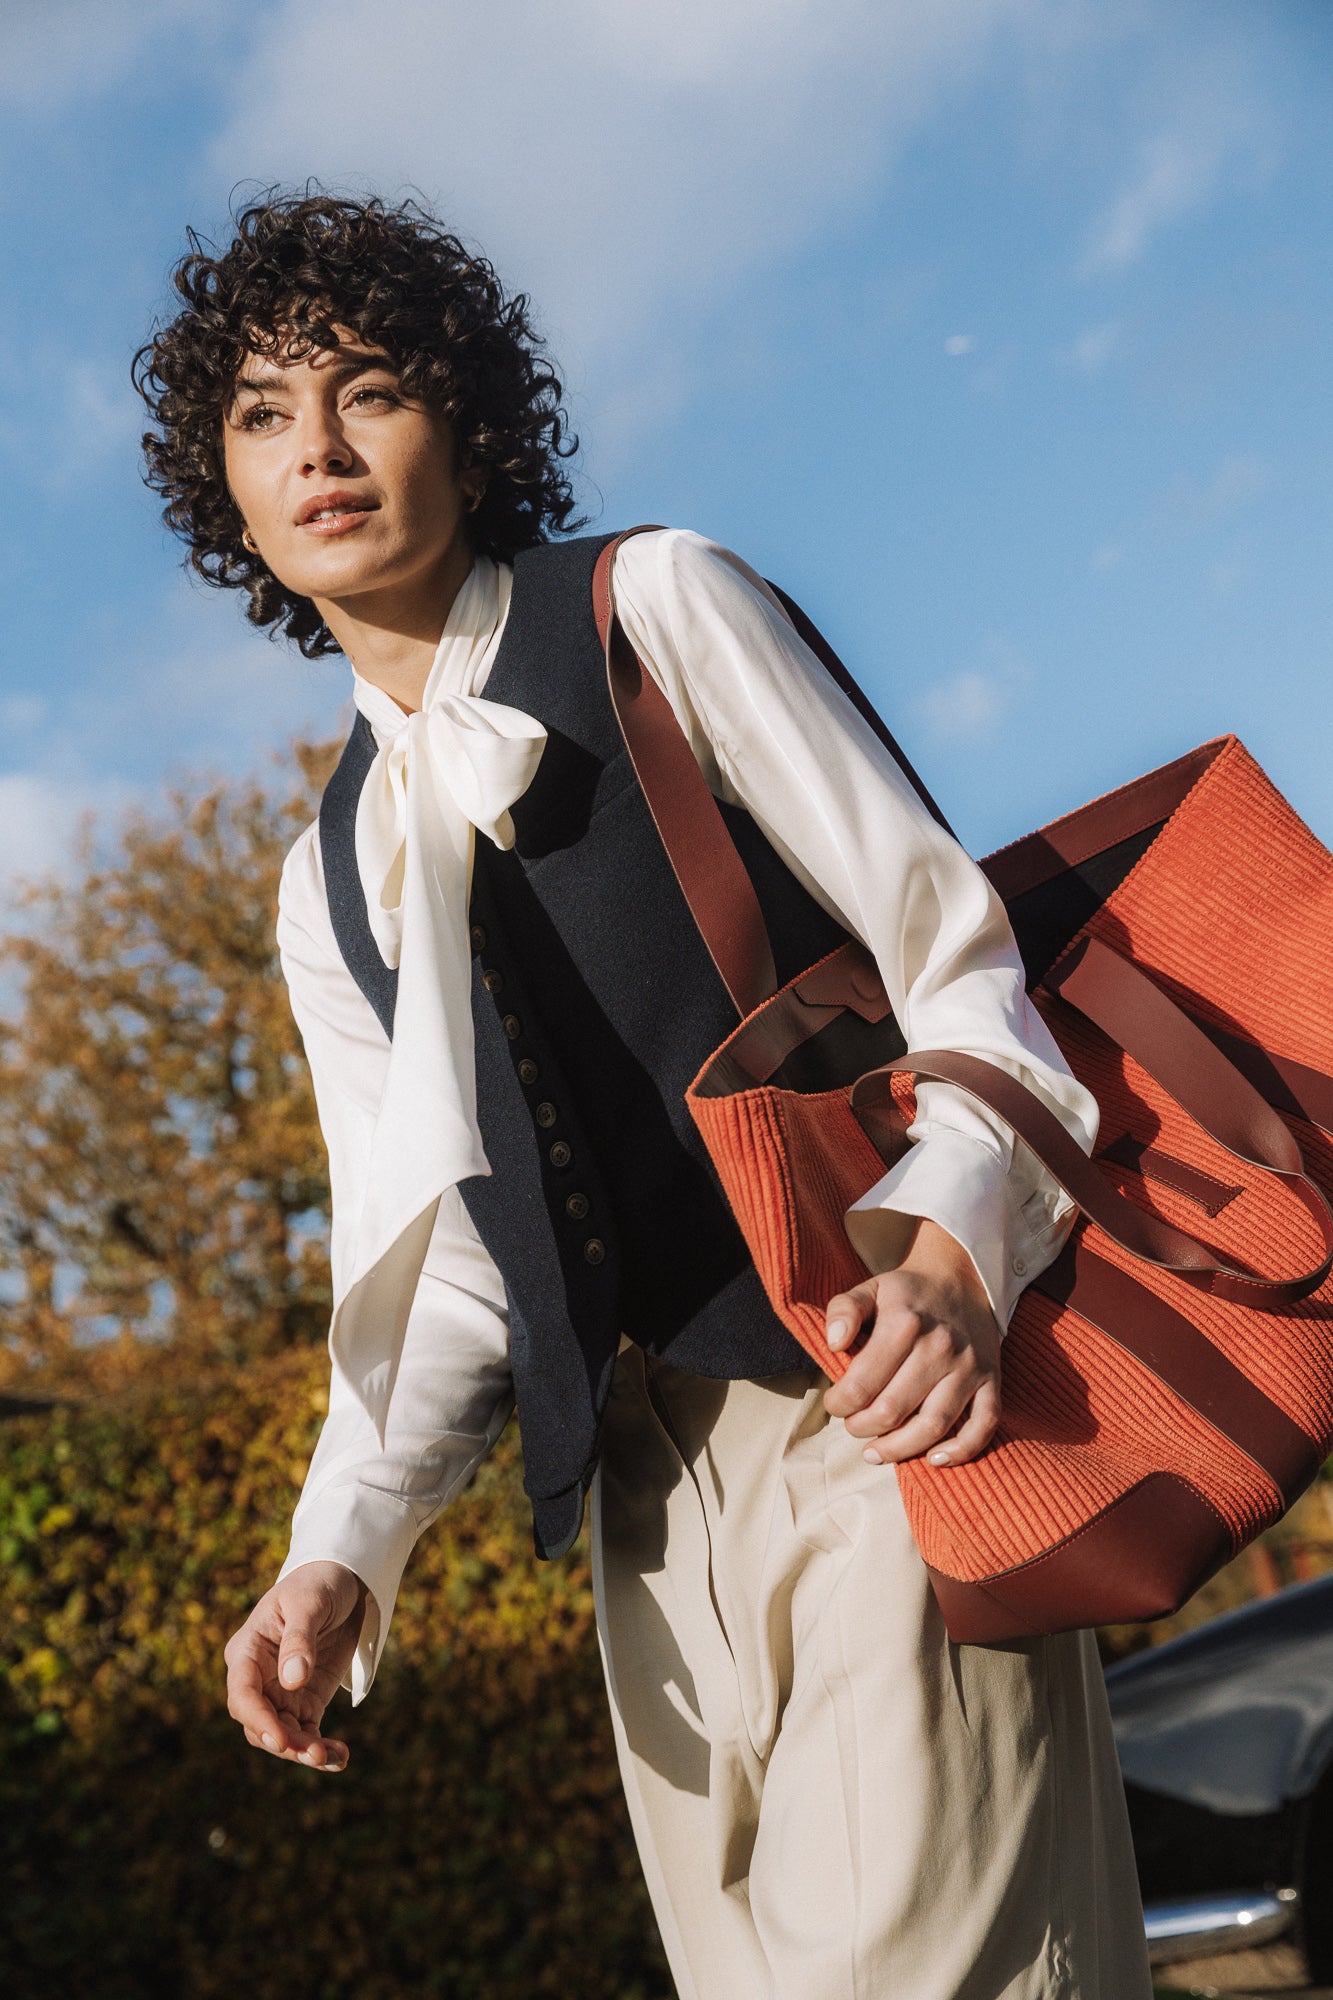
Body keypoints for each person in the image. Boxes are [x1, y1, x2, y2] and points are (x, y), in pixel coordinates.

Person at [135, 192, 1152, 1998]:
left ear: (465, 420)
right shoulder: (327, 869)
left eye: (368, 391)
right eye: (263, 415)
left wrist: (949, 1253)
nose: (320, 450)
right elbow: (450, 1261)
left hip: (883, 1401)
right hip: (638, 1507)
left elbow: (960, 965)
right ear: (223, 483)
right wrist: (337, 1553)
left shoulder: (654, 605)